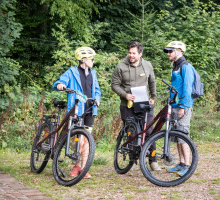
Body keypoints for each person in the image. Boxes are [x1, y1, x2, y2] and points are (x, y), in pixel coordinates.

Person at [111, 41, 161, 171]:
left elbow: (152, 82)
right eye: (129, 52)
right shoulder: (120, 67)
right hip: (127, 105)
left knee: (150, 131)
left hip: (144, 104)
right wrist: (125, 95)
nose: (131, 55)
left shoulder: (147, 65)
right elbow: (115, 85)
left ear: (140, 53)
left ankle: (153, 160)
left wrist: (153, 97)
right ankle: (132, 161)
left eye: (134, 53)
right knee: (131, 133)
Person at [52, 46, 101, 178]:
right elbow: (61, 80)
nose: (93, 61)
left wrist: (97, 98)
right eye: (91, 59)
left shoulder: (93, 73)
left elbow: (96, 90)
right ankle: (77, 165)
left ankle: (82, 168)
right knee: (80, 139)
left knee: (86, 139)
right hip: (78, 109)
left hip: (90, 109)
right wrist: (60, 85)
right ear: (84, 60)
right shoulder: (72, 72)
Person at [163, 41, 195, 177]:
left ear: (179, 51)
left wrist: (182, 106)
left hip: (183, 106)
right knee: (176, 136)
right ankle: (181, 163)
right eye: (168, 51)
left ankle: (187, 165)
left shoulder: (186, 66)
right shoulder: (176, 66)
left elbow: (187, 88)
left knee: (183, 136)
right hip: (174, 106)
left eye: (171, 51)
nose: (168, 54)